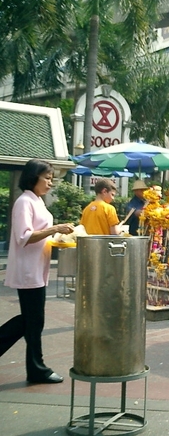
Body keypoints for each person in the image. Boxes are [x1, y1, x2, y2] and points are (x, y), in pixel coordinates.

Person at [0, 159, 75, 383]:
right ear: (34, 177)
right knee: (33, 321)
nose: (50, 183)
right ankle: (37, 368)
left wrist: (59, 236)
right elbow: (24, 236)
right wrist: (55, 229)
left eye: (52, 178)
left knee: (33, 320)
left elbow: (40, 234)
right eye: (47, 178)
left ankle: (36, 368)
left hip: (37, 269)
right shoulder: (25, 201)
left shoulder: (37, 201)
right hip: (27, 270)